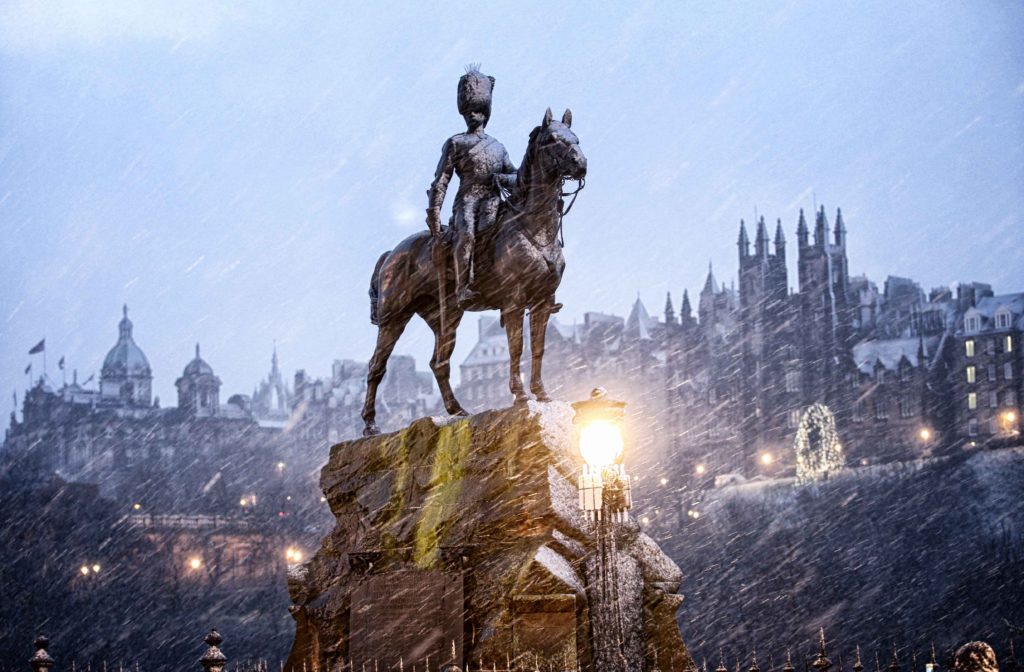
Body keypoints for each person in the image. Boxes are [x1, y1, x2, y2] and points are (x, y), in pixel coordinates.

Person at [426, 65, 517, 307]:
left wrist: (506, 180)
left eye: (476, 110)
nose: (472, 115)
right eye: (468, 110)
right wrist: (434, 213)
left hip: (494, 202)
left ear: (485, 113)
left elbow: (516, 176)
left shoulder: (498, 147)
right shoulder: (456, 143)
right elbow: (441, 181)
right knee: (466, 237)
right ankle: (463, 286)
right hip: (467, 202)